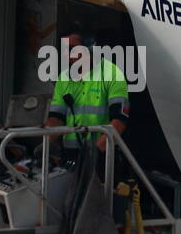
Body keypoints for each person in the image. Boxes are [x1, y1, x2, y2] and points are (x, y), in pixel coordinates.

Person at [45, 29, 129, 163]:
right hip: (70, 156)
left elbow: (119, 122)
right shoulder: (63, 78)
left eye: (71, 48)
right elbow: (56, 118)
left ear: (89, 48)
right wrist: (45, 144)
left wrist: (95, 153)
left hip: (101, 157)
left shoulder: (113, 74)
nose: (67, 54)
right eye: (65, 49)